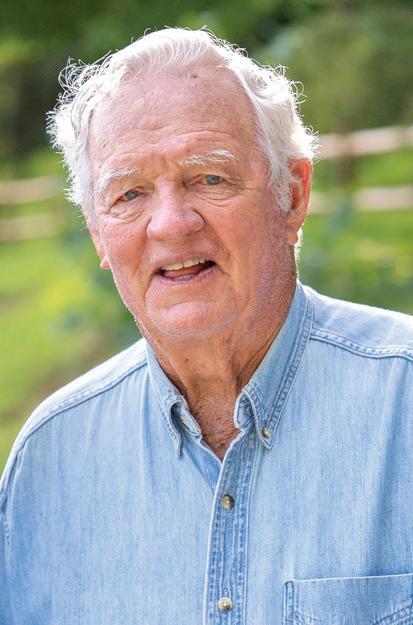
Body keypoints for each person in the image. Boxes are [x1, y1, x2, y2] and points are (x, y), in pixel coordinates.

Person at [1, 27, 413, 625]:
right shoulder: (48, 462)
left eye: (210, 178)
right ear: (98, 234)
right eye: (130, 194)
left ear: (293, 195)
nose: (171, 224)